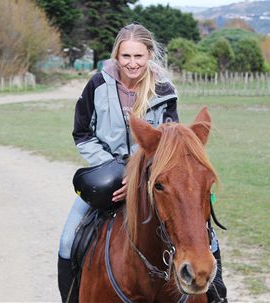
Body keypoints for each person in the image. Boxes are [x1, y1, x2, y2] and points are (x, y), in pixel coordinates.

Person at [58, 23, 227, 303]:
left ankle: (219, 297)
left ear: (148, 55)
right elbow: (83, 134)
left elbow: (170, 144)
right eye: (126, 56)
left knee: (209, 241)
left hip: (153, 175)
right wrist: (116, 170)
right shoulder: (97, 85)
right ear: (116, 56)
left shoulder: (164, 89)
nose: (132, 63)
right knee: (67, 241)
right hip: (107, 177)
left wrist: (140, 176)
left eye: (138, 56)